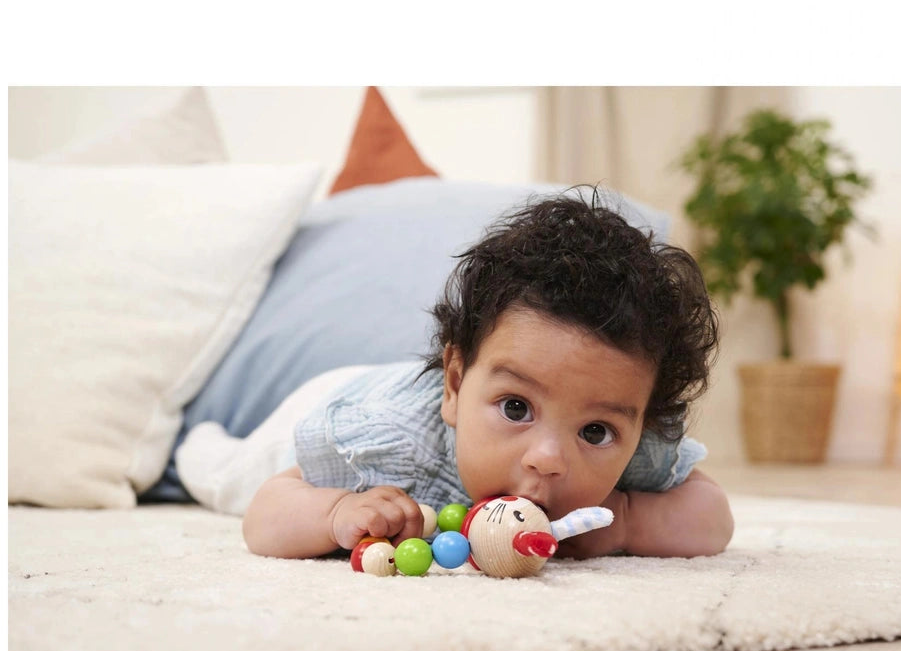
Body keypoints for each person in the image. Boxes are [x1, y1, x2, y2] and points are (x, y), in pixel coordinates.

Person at [242, 188, 734, 561]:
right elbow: (263, 515)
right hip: (334, 397)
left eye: (595, 432)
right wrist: (334, 514)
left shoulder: (631, 456)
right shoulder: (387, 442)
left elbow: (715, 517)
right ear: (455, 386)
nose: (547, 459)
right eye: (516, 408)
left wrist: (626, 522)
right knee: (229, 472)